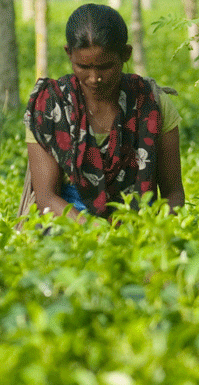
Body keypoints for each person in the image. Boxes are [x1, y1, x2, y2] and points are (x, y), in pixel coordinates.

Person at [24, 3, 183, 223]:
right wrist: (93, 232)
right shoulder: (50, 106)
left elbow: (173, 192)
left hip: (140, 223)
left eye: (106, 66)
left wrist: (156, 232)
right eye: (83, 66)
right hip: (69, 223)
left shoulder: (151, 103)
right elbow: (46, 197)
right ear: (68, 53)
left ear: (126, 54)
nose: (94, 78)